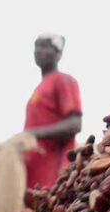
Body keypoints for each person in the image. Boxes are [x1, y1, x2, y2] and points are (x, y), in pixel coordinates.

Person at [23, 33, 83, 189]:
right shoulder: (39, 88)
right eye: (37, 46)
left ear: (58, 54)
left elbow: (74, 124)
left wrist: (32, 134)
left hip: (53, 176)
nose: (38, 51)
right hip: (34, 177)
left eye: (45, 46)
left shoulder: (63, 81)